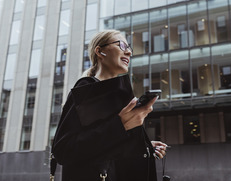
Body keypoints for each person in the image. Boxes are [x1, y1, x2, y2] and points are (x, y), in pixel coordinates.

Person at [51, 30, 168, 181]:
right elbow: (64, 150)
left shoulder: (114, 95)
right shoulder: (87, 88)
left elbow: (104, 149)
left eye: (129, 48)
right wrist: (121, 125)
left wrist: (144, 147)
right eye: (122, 45)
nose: (129, 52)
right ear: (100, 51)